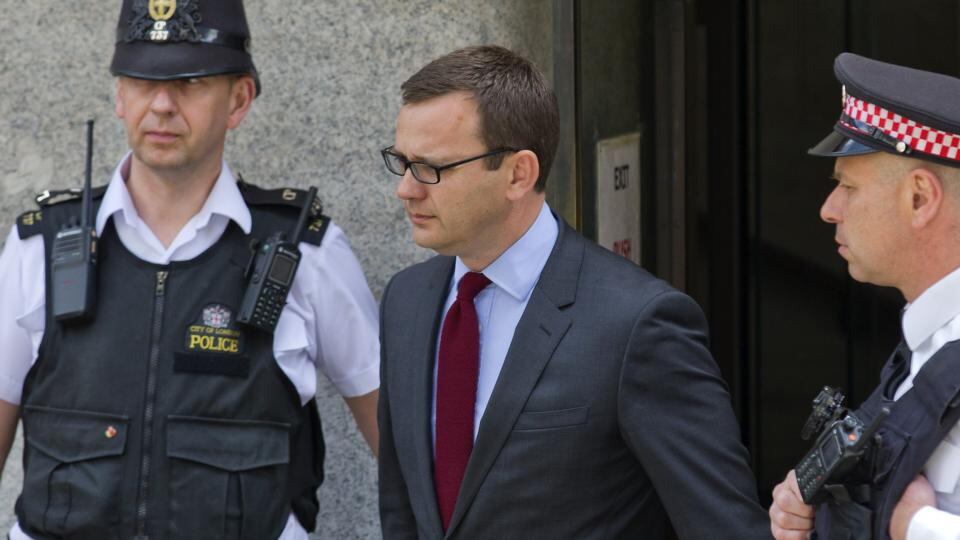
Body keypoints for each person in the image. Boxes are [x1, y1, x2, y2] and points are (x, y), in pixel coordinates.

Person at [0, 0, 380, 538]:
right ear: (118, 94)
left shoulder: (305, 254)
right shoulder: (38, 246)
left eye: (190, 82)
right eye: (140, 80)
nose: (161, 105)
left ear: (239, 98)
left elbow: (398, 446)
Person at [376, 44, 769, 539]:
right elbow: (402, 509)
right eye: (401, 162)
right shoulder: (407, 302)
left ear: (519, 173)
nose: (407, 189)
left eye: (432, 168)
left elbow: (725, 527)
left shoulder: (637, 324)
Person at [769, 53, 960, 540]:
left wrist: (914, 525)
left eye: (848, 187)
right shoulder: (927, 342)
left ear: (920, 198)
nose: (828, 210)